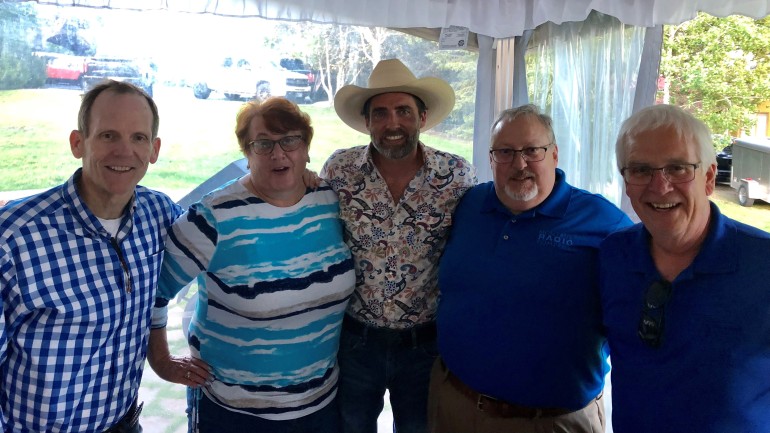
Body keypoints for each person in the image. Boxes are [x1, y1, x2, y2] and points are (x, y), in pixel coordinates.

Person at [147, 96, 356, 433]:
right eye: (263, 144)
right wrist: (160, 361)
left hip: (321, 404)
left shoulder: (331, 201)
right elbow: (153, 292)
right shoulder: (214, 217)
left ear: (306, 147)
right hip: (233, 411)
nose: (279, 153)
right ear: (246, 152)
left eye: (290, 140)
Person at [429, 104, 632, 433]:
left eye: (531, 150)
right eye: (505, 152)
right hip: (456, 405)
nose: (519, 164)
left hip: (551, 421)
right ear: (491, 159)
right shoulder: (468, 206)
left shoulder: (605, 225)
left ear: (554, 154)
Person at [0, 80, 182, 432]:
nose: (124, 151)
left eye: (138, 138)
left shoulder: (159, 214)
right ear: (77, 143)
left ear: (154, 149)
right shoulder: (14, 237)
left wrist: (303, 181)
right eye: (108, 136)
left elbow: (218, 227)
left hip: (125, 422)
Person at [320, 58, 477, 433]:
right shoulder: (339, 171)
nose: (393, 123)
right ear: (367, 121)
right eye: (381, 113)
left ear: (422, 118)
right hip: (356, 339)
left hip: (426, 344)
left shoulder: (456, 175)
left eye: (404, 111)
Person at [600, 104, 770, 433]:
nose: (660, 186)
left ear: (708, 178)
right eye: (641, 170)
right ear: (625, 180)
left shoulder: (763, 263)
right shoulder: (613, 256)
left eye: (677, 168)